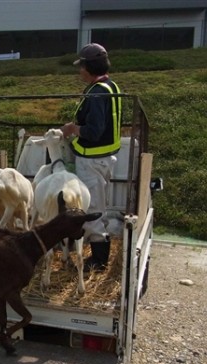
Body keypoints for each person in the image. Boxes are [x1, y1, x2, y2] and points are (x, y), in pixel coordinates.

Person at [60, 43, 122, 272]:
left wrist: (73, 129)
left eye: (82, 66)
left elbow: (94, 130)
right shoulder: (110, 86)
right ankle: (98, 253)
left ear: (89, 67)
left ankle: (98, 260)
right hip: (105, 158)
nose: (79, 71)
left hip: (92, 160)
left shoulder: (97, 93)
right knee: (98, 204)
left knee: (93, 207)